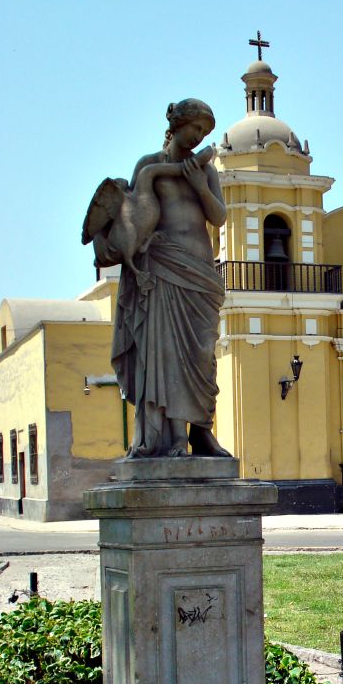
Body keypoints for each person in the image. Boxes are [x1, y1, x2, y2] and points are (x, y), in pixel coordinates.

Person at [87, 99, 230, 458]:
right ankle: (174, 439)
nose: (198, 137)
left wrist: (199, 183)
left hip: (199, 271)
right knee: (166, 356)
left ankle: (203, 433)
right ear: (178, 124)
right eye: (195, 128)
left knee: (202, 356)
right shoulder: (149, 165)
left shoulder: (205, 169)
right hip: (163, 266)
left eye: (204, 132)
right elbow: (133, 216)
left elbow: (220, 217)